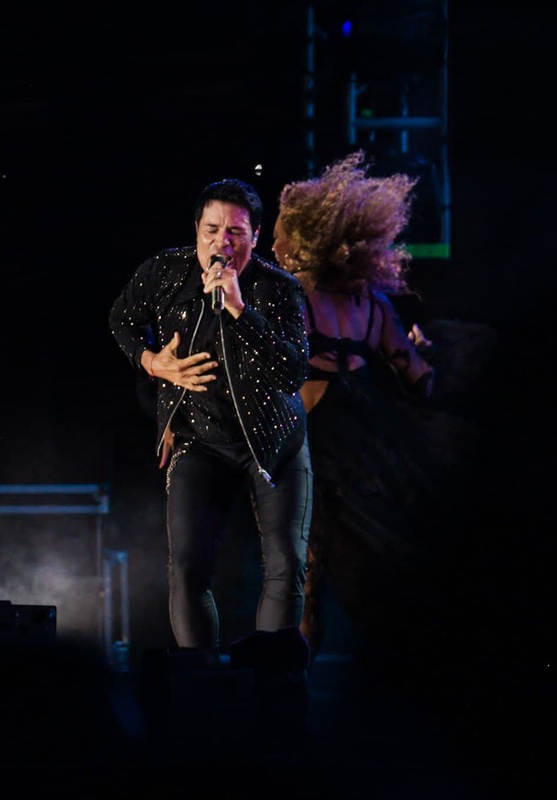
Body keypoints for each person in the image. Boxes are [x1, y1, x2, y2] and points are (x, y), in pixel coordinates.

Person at [271, 151, 490, 672]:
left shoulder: (290, 300)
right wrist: (422, 350)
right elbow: (420, 380)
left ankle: (289, 701)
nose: (271, 244)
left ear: (306, 241)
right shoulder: (375, 306)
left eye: (280, 234)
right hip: (373, 441)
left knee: (304, 577)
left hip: (314, 446)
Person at [108, 177, 313, 664]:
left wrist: (240, 310)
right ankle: (199, 689)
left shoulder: (279, 289)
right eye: (212, 229)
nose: (223, 243)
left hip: (273, 441)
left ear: (255, 236)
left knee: (286, 563)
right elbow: (120, 317)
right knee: (187, 569)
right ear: (196, 230)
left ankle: (273, 681)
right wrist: (151, 361)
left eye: (236, 232)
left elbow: (292, 372)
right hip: (200, 438)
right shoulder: (165, 271)